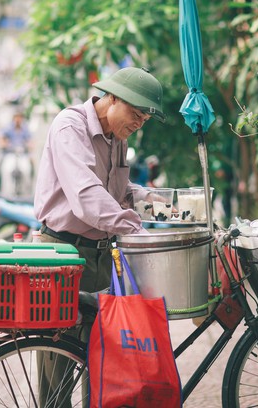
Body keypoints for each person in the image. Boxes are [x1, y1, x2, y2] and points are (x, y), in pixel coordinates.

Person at [33, 66, 166, 404]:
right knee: (57, 360)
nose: (137, 124)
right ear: (112, 98)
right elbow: (86, 196)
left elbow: (116, 191)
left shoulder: (116, 138)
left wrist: (155, 201)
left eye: (144, 120)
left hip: (99, 257)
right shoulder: (70, 126)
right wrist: (135, 228)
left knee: (99, 357)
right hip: (60, 253)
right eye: (134, 114)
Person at [0, 112, 34, 197]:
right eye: (16, 118)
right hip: (10, 154)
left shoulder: (25, 129)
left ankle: (26, 192)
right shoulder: (8, 128)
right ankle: (6, 193)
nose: (18, 120)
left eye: (20, 118)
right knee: (7, 170)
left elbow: (31, 141)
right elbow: (1, 138)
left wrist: (29, 146)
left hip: (22, 154)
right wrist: (4, 144)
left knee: (26, 170)